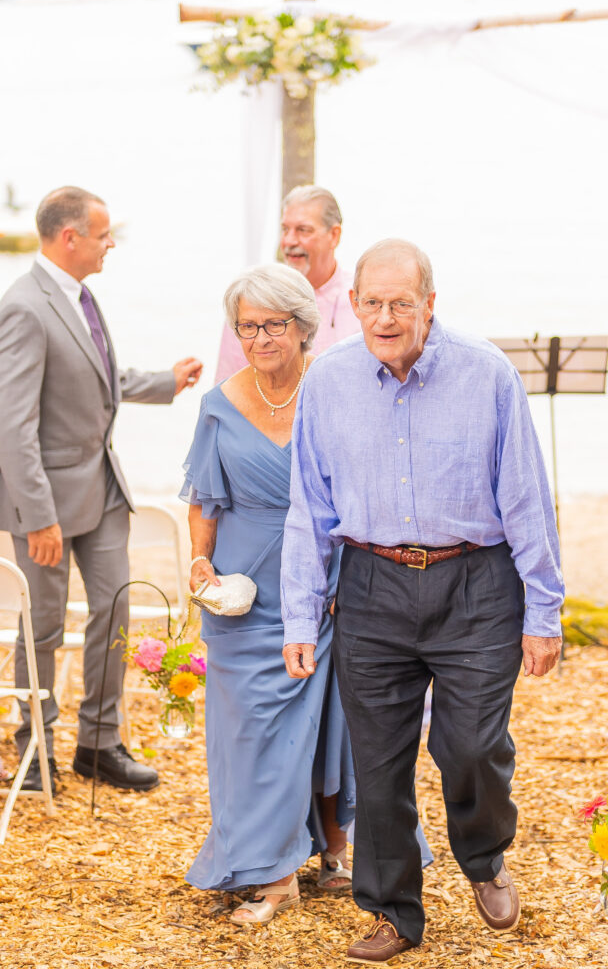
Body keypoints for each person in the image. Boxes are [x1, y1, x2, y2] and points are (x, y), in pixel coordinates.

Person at [281, 239, 564, 962]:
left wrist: (543, 612)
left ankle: (483, 854)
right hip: (370, 586)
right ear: (351, 305)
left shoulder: (488, 374)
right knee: (377, 763)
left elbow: (528, 500)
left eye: (400, 303)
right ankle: (393, 913)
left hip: (477, 585)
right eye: (371, 303)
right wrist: (299, 613)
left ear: (429, 305)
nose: (384, 317)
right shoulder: (328, 382)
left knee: (470, 746)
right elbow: (308, 508)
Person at [0, 186, 203, 794]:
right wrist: (37, 516)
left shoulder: (81, 296)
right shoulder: (24, 308)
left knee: (114, 612)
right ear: (70, 238)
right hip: (47, 506)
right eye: (103, 234)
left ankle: (99, 743)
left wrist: (164, 382)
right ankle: (34, 748)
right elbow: (13, 424)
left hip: (104, 489)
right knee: (42, 627)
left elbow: (96, 376)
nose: (110, 243)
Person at [182, 264, 355, 923]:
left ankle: (329, 848)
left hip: (319, 585)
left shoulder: (333, 394)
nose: (259, 339)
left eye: (272, 325)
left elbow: (358, 493)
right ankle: (270, 869)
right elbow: (203, 498)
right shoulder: (219, 405)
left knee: (324, 728)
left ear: (302, 326)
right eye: (247, 326)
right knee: (247, 734)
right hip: (242, 594)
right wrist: (199, 560)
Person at [214, 185, 358, 380]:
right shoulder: (250, 298)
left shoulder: (363, 301)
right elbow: (226, 386)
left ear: (334, 235)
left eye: (303, 230)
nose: (289, 241)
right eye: (285, 229)